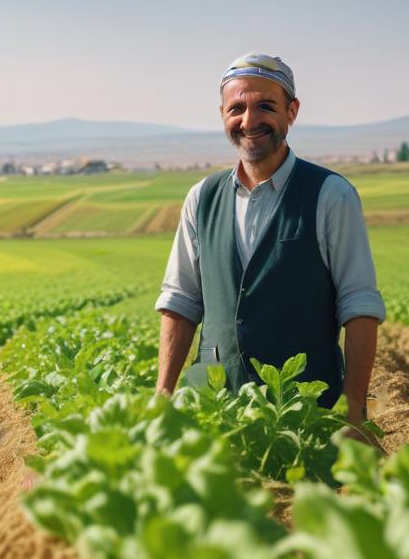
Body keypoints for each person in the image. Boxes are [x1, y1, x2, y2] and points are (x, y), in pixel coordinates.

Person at [155, 53, 385, 429]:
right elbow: (181, 302)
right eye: (237, 108)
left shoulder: (330, 195)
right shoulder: (202, 197)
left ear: (291, 112)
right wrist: (162, 396)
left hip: (305, 414)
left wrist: (353, 412)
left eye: (265, 106)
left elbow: (359, 306)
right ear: (223, 115)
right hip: (216, 414)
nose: (249, 121)